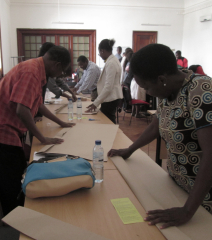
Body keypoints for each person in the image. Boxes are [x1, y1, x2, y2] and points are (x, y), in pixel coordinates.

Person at [108, 43, 212, 229]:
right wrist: (129, 149)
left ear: (161, 79)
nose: (147, 93)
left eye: (146, 87)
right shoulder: (168, 89)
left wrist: (187, 211)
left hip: (203, 197)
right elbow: (157, 124)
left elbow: (211, 154)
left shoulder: (201, 90)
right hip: (179, 186)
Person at [0, 46, 75, 216]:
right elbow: (22, 111)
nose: (60, 75)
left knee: (11, 171)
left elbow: (37, 104)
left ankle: (12, 209)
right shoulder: (32, 73)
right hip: (1, 129)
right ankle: (14, 219)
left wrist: (60, 122)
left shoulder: (35, 68)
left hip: (0, 125)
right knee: (13, 179)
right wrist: (42, 138)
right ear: (57, 65)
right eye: (62, 71)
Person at [86, 39, 123, 124]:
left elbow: (108, 86)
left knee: (108, 121)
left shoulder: (111, 63)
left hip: (110, 98)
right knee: (108, 120)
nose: (100, 55)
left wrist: (96, 102)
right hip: (111, 97)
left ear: (102, 51)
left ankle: (113, 136)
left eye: (99, 53)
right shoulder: (113, 60)